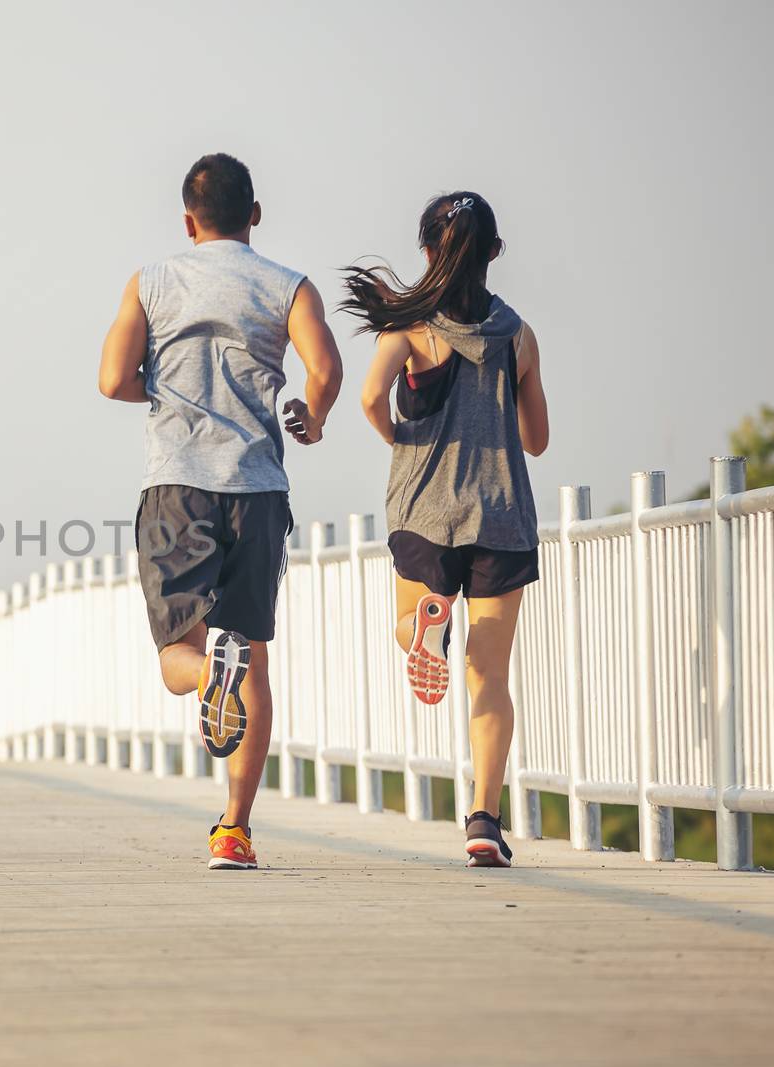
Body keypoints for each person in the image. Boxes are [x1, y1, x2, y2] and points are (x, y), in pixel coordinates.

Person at [99, 152, 343, 871]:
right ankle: (233, 829)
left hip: (177, 483)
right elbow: (324, 369)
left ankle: (210, 677)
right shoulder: (288, 286)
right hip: (258, 488)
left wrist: (164, 388)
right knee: (254, 659)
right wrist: (314, 414)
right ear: (255, 215)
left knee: (180, 649)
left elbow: (112, 377)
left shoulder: (150, 283)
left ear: (187, 219)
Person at [340, 192, 549, 868]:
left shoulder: (409, 331)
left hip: (425, 508)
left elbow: (370, 398)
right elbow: (536, 439)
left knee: (412, 626)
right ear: (493, 253)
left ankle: (428, 620)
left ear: (429, 250)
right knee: (489, 676)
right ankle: (484, 820)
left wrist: (401, 439)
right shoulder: (517, 336)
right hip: (500, 517)